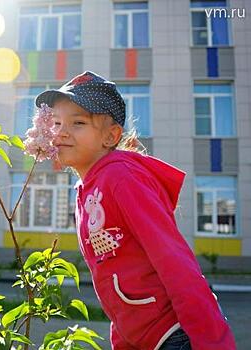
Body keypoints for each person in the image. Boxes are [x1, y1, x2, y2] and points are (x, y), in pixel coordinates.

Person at [35, 71, 236, 350]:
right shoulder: (86, 190)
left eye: (78, 122)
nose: (61, 133)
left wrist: (212, 341)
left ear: (110, 136)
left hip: (175, 334)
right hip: (142, 338)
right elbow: (112, 276)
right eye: (56, 123)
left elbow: (173, 258)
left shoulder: (121, 177)